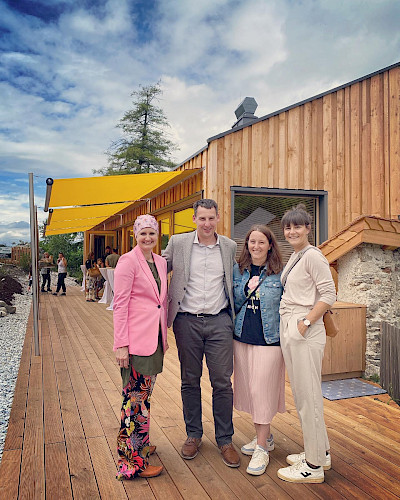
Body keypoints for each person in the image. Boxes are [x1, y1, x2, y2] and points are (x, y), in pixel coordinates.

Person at [163, 199, 240, 468]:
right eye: (202, 218)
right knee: (189, 379)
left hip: (220, 321)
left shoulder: (229, 246)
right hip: (187, 321)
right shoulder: (178, 243)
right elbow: (157, 269)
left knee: (222, 382)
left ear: (218, 218)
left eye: (211, 218)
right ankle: (193, 434)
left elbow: (237, 278)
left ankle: (225, 439)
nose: (207, 224)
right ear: (194, 219)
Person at [277, 204, 336, 484]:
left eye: (297, 226)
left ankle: (312, 466)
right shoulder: (297, 255)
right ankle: (320, 452)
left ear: (308, 228)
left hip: (304, 328)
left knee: (308, 397)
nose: (292, 231)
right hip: (294, 325)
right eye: (288, 227)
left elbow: (329, 295)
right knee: (304, 395)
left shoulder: (313, 256)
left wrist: (305, 323)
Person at [113, 214, 168, 480]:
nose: (147, 238)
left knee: (144, 397)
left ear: (158, 236)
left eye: (152, 233)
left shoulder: (160, 261)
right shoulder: (127, 261)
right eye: (143, 233)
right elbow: (120, 304)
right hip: (135, 341)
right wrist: (121, 344)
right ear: (135, 235)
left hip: (154, 339)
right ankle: (132, 462)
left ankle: (141, 444)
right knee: (134, 401)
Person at [233, 225, 285, 476]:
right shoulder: (239, 269)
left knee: (261, 391)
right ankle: (266, 437)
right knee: (250, 392)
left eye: (261, 242)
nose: (256, 246)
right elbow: (233, 300)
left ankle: (262, 448)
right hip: (242, 337)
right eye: (252, 242)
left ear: (270, 245)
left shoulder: (280, 273)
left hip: (270, 340)